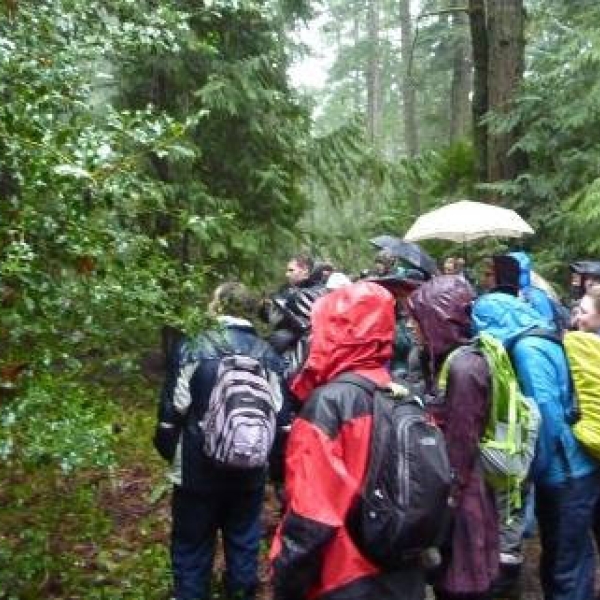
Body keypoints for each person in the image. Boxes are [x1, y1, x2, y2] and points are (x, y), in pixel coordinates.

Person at [271, 281, 426, 600]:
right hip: (403, 574)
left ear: (333, 332)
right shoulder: (402, 394)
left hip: (344, 578)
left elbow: (311, 517)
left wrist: (286, 584)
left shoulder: (329, 405)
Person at [153, 282, 283, 600]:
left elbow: (172, 412)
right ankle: (240, 592)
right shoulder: (268, 354)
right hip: (249, 468)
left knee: (192, 544)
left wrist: (174, 455)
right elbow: (279, 416)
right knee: (243, 541)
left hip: (197, 468)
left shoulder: (193, 346)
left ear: (220, 306)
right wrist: (271, 466)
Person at [472, 289, 600, 600]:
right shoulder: (541, 336)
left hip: (565, 473)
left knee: (562, 567)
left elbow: (547, 418)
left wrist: (529, 474)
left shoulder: (529, 349)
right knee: (574, 556)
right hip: (577, 467)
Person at [406, 275, 498, 600]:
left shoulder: (465, 370)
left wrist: (443, 507)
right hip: (465, 494)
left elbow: (461, 446)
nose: (411, 328)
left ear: (438, 319)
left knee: (462, 583)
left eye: (418, 320)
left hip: (466, 501)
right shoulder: (452, 361)